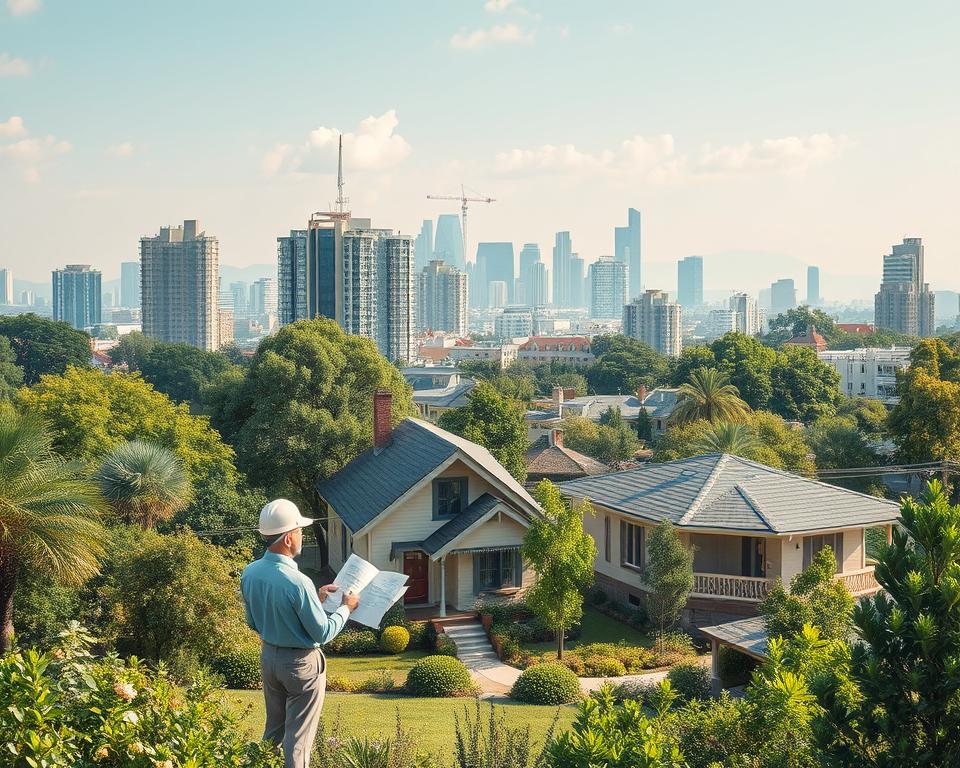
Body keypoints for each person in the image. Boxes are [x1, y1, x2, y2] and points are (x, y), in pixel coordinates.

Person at [241, 498, 359, 768]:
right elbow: (323, 632)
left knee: (273, 733)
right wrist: (347, 608)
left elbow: (253, 622)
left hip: (269, 658)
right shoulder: (298, 582)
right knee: (298, 742)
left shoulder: (250, 573)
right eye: (299, 531)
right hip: (301, 665)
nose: (302, 536)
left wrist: (315, 601)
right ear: (288, 539)